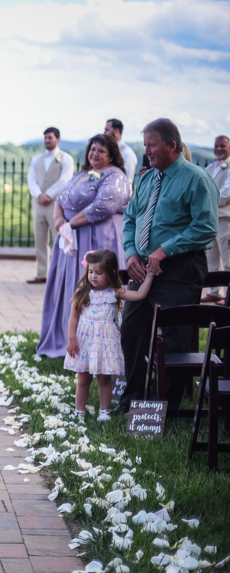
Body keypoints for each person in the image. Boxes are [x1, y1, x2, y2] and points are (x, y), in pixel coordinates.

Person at [118, 118, 218, 412]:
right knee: (132, 330)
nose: (146, 150)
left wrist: (164, 250)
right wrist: (131, 253)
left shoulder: (197, 179)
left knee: (175, 337)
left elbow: (206, 228)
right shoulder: (148, 178)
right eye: (145, 144)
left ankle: (165, 406)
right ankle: (132, 398)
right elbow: (131, 219)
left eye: (151, 144)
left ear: (171, 146)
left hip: (180, 268)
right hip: (143, 267)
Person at [36, 134, 131, 358]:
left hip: (98, 239)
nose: (94, 154)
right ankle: (67, 337)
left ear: (111, 156)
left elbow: (102, 207)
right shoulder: (82, 173)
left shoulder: (115, 176)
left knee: (94, 287)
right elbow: (60, 198)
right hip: (72, 238)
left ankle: (97, 344)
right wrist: (60, 222)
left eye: (101, 151)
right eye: (93, 149)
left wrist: (70, 223)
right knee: (72, 287)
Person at [65, 249, 154, 417]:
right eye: (90, 271)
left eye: (99, 273)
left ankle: (104, 412)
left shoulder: (115, 292)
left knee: (104, 378)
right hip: (84, 342)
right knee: (83, 378)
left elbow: (140, 294)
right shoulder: (82, 292)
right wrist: (71, 339)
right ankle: (79, 411)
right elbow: (73, 317)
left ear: (111, 273)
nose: (93, 276)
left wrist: (149, 275)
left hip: (104, 343)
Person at [27, 128, 75, 283]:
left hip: (57, 204)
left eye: (50, 138)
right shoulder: (36, 159)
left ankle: (60, 275)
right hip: (38, 203)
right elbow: (31, 179)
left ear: (58, 139)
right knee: (40, 239)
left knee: (59, 239)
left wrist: (49, 194)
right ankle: (42, 274)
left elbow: (65, 179)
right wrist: (38, 194)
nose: (47, 140)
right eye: (45, 138)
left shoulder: (66, 158)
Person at [202, 135, 230, 303]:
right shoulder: (211, 167)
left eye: (223, 146)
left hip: (225, 219)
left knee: (227, 259)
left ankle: (227, 293)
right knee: (210, 257)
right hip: (210, 219)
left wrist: (206, 202)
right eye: (216, 145)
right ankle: (215, 291)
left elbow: (226, 194)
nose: (219, 148)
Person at [104, 119, 138, 187]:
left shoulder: (127, 153)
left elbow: (126, 181)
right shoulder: (109, 151)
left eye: (107, 130)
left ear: (116, 131)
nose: (104, 133)